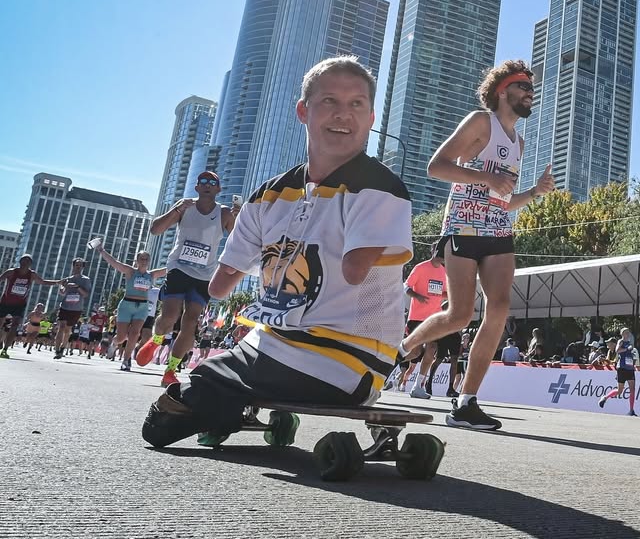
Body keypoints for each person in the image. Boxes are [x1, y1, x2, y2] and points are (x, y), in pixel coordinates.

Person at [142, 56, 413, 448]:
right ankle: (230, 405)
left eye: (356, 104)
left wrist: (272, 252)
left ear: (371, 118)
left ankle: (225, 405)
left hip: (347, 359)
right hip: (271, 347)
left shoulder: (378, 187)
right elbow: (218, 287)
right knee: (161, 423)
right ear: (303, 111)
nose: (343, 114)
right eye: (330, 101)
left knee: (188, 400)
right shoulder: (267, 194)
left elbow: (355, 271)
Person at [398, 60, 555, 430]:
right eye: (523, 86)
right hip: (464, 227)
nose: (530, 93)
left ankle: (466, 402)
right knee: (459, 315)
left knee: (499, 308)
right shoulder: (481, 122)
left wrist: (534, 191)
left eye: (532, 88)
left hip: (498, 229)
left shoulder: (519, 142)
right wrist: (486, 177)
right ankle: (402, 349)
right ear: (502, 90)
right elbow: (436, 166)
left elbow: (504, 199)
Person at [136, 170, 237, 386]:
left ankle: (170, 370)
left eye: (212, 182)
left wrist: (237, 218)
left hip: (204, 274)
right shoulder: (186, 206)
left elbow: (239, 240)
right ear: (196, 187)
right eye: (203, 181)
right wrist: (177, 210)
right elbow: (156, 230)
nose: (207, 184)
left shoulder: (224, 213)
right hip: (179, 268)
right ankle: (156, 340)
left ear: (219, 189)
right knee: (170, 316)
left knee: (190, 322)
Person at [402, 250, 448, 399]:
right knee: (415, 352)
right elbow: (406, 286)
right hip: (417, 317)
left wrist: (452, 295)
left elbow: (443, 292)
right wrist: (417, 296)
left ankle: (417, 386)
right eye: (441, 251)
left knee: (432, 348)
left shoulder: (444, 271)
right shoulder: (421, 267)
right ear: (433, 251)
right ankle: (390, 364)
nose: (444, 256)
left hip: (434, 317)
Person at [0, 255, 61, 358]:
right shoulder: (11, 272)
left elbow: (43, 282)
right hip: (5, 302)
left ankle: (5, 349)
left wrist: (58, 282)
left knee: (14, 326)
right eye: (24, 260)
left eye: (28, 261)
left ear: (30, 264)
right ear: (20, 262)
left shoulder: (32, 274)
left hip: (19, 304)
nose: (25, 263)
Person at [53, 258, 91, 359]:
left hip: (76, 308)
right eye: (76, 265)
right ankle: (57, 350)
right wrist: (62, 287)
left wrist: (77, 287)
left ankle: (63, 347)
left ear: (83, 267)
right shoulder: (67, 279)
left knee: (67, 329)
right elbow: (62, 293)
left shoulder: (86, 280)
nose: (78, 267)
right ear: (73, 266)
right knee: (61, 327)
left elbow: (85, 294)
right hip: (65, 306)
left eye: (80, 265)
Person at [599, 328, 639, 416]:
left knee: (632, 389)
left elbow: (631, 354)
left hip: (630, 368)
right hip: (622, 368)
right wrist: (626, 349)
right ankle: (605, 397)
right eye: (625, 332)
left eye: (628, 332)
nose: (627, 334)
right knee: (620, 390)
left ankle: (631, 410)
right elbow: (617, 350)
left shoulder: (630, 343)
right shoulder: (621, 341)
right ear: (622, 334)